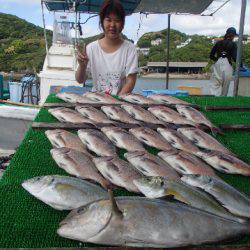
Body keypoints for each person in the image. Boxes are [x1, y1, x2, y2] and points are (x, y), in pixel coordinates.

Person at [75, 0, 138, 95]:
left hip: (119, 102)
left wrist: (116, 102)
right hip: (96, 101)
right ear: (102, 22)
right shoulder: (91, 48)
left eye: (117, 21)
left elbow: (131, 81)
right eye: (108, 20)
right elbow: (80, 80)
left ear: (122, 24)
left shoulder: (130, 48)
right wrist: (82, 66)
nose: (112, 25)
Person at [209, 27, 238, 96]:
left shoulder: (218, 43)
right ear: (233, 36)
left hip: (218, 64)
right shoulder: (233, 44)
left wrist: (217, 60)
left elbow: (211, 55)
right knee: (225, 85)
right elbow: (235, 57)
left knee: (215, 84)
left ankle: (215, 98)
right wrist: (241, 65)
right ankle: (223, 98)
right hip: (227, 64)